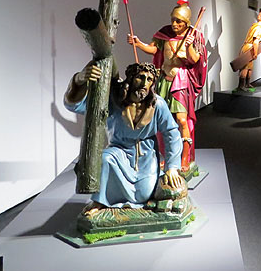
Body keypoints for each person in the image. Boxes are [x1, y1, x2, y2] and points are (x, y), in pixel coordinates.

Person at [65, 62, 185, 215]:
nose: (144, 83)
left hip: (146, 157)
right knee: (104, 159)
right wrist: (79, 80)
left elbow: (171, 133)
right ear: (130, 79)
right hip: (118, 151)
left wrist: (172, 167)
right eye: (140, 77)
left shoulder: (157, 104)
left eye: (149, 79)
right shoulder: (113, 100)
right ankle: (99, 201)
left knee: (144, 194)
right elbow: (74, 105)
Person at [127, 0, 207, 174]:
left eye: (179, 22)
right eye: (173, 20)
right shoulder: (164, 34)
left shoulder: (194, 36)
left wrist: (188, 46)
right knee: (163, 120)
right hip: (164, 80)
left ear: (186, 22)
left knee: (182, 120)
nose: (175, 24)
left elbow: (195, 60)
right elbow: (155, 50)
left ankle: (185, 157)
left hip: (181, 82)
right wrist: (138, 44)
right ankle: (168, 155)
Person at [237, 11, 261, 91]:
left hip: (247, 47)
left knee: (249, 67)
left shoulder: (256, 26)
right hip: (249, 47)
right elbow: (255, 42)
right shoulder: (258, 28)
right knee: (245, 67)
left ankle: (247, 84)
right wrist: (255, 53)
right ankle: (241, 86)